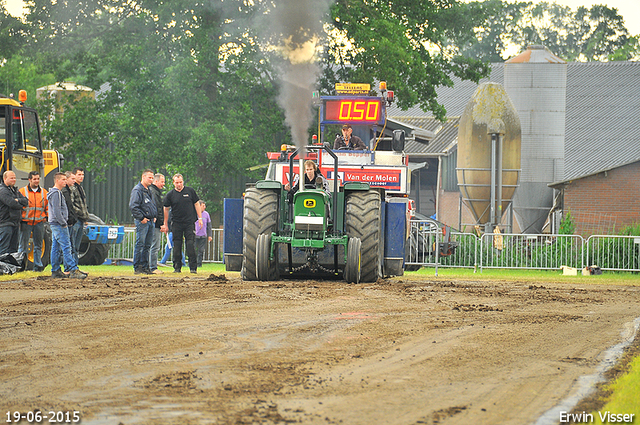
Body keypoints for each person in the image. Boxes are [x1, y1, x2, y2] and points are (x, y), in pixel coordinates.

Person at [47, 172, 86, 279]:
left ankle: (55, 270)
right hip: (59, 224)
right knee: (66, 246)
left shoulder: (57, 193)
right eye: (63, 179)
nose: (65, 181)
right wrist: (63, 222)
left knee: (56, 247)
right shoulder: (56, 194)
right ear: (57, 180)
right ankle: (73, 269)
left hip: (56, 223)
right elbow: (56, 211)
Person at [162, 173, 202, 274]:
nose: (179, 184)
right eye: (177, 183)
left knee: (190, 244)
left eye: (180, 182)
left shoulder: (190, 191)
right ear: (173, 183)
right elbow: (165, 209)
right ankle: (177, 267)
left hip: (189, 222)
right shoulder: (170, 195)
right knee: (177, 245)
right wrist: (165, 223)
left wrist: (200, 218)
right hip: (176, 223)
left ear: (183, 181)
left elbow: (197, 204)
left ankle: (193, 267)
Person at [18, 171, 48, 271]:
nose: (36, 181)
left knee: (38, 245)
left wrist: (46, 217)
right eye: (34, 179)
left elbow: (47, 206)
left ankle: (37, 266)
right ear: (29, 179)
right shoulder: (22, 191)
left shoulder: (44, 192)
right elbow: (18, 207)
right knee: (23, 246)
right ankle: (21, 266)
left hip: (39, 222)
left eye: (38, 179)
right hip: (26, 222)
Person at [129, 169, 157, 274]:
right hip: (143, 222)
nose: (151, 179)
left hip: (150, 221)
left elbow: (150, 204)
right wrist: (141, 218)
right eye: (149, 177)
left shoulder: (148, 190)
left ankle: (145, 266)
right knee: (140, 244)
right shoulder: (138, 190)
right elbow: (133, 206)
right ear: (143, 177)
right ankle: (138, 267)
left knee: (147, 245)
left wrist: (153, 215)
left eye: (152, 177)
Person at [0, 170, 29, 255]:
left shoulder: (15, 190)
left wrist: (18, 200)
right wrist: (21, 206)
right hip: (5, 223)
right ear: (5, 179)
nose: (14, 180)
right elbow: (12, 204)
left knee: (13, 249)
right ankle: (2, 267)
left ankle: (10, 267)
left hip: (15, 223)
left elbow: (26, 201)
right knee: (4, 248)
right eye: (11, 178)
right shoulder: (2, 191)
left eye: (15, 178)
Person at [68, 167, 90, 264]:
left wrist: (85, 217)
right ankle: (72, 266)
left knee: (77, 246)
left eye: (82, 175)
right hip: (76, 220)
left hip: (81, 220)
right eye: (79, 175)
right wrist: (80, 213)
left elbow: (83, 205)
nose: (81, 177)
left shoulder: (80, 188)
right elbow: (71, 205)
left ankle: (74, 265)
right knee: (73, 245)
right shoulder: (72, 188)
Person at [148, 173, 165, 274]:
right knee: (154, 245)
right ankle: (153, 267)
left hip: (155, 222)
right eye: (162, 182)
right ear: (156, 181)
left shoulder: (154, 192)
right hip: (155, 224)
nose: (163, 184)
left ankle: (150, 266)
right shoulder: (154, 192)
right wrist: (161, 223)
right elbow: (157, 209)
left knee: (152, 245)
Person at [194, 200, 212, 268]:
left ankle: (199, 264)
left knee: (201, 251)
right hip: (195, 235)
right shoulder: (194, 213)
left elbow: (209, 225)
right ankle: (192, 263)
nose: (204, 207)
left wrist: (210, 235)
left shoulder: (206, 214)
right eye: (203, 206)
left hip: (203, 235)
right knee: (193, 250)